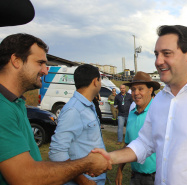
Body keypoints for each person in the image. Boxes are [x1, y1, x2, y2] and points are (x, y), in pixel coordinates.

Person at [92, 25, 187, 185]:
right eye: (156, 54)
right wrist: (111, 157)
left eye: (166, 54)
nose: (158, 61)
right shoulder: (160, 100)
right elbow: (145, 142)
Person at [0, 33, 111, 185]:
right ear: (16, 61)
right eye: (40, 63)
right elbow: (26, 178)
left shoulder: (15, 103)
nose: (45, 71)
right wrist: (86, 165)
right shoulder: (3, 108)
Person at [49, 64, 107, 185]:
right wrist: (84, 181)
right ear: (95, 81)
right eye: (100, 79)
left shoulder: (88, 105)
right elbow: (56, 152)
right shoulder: (74, 110)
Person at [115, 71, 160, 185]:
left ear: (150, 90)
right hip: (135, 176)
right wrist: (120, 170)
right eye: (133, 89)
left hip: (155, 177)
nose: (136, 93)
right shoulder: (132, 114)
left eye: (140, 89)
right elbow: (128, 144)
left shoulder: (158, 113)